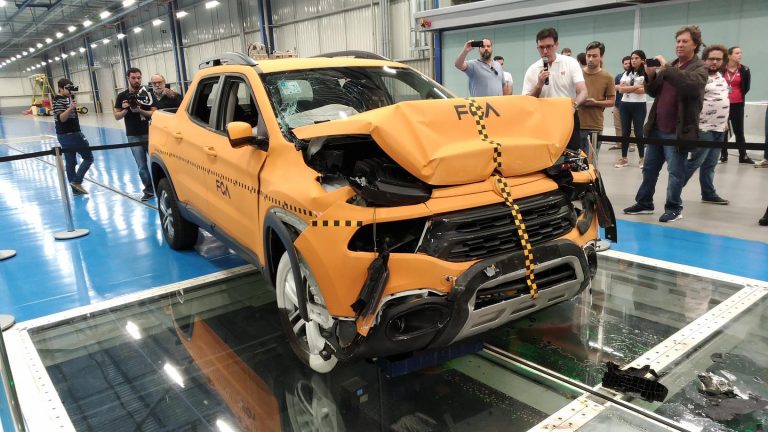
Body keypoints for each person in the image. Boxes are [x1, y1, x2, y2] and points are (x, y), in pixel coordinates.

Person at [623, 25, 708, 223]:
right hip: (657, 127)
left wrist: (667, 69)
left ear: (695, 44)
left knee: (675, 173)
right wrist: (651, 74)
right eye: (678, 41)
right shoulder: (672, 65)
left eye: (685, 41)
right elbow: (653, 91)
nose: (680, 45)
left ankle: (674, 207)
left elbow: (691, 86)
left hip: (677, 131)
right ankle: (644, 203)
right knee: (649, 169)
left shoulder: (700, 68)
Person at [523, 27, 588, 151]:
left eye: (549, 46)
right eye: (541, 47)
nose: (545, 51)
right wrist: (539, 85)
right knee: (544, 155)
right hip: (543, 119)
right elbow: (526, 101)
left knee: (571, 154)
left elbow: (583, 91)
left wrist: (574, 106)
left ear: (557, 45)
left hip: (567, 115)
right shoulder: (532, 69)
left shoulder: (570, 63)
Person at [682, 44, 730, 205]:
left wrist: (725, 122)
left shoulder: (721, 77)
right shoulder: (700, 77)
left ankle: (708, 194)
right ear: (704, 59)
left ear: (723, 61)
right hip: (703, 128)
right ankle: (675, 190)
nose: (714, 62)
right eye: (711, 59)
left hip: (720, 128)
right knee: (695, 162)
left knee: (710, 164)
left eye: (718, 59)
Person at [114, 67, 157, 201]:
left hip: (150, 133)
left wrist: (140, 111)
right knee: (142, 166)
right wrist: (126, 109)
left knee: (157, 163)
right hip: (133, 135)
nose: (136, 80)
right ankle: (149, 190)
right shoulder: (121, 96)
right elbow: (116, 116)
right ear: (128, 78)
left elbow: (155, 112)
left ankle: (161, 187)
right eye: (133, 78)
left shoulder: (148, 93)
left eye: (139, 77)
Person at [53, 78, 93, 195]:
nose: (70, 91)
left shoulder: (66, 99)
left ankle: (75, 190)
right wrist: (70, 107)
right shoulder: (59, 100)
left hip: (64, 135)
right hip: (72, 135)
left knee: (71, 163)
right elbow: (61, 118)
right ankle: (76, 181)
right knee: (88, 158)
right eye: (67, 88)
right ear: (60, 88)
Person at [578, 41, 614, 156]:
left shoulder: (607, 77)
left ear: (601, 57)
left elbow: (612, 101)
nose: (590, 59)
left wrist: (596, 102)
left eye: (594, 56)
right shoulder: (577, 74)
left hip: (595, 125)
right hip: (576, 124)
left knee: (592, 161)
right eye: (588, 55)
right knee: (574, 161)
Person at [614, 50, 649, 168]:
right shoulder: (627, 73)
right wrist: (637, 86)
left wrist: (629, 88)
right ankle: (624, 158)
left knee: (639, 132)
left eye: (636, 58)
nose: (633, 60)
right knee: (625, 132)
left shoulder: (646, 73)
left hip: (639, 105)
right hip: (625, 104)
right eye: (632, 58)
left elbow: (644, 90)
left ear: (642, 60)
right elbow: (621, 90)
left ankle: (642, 158)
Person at [720, 46, 752, 164]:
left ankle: (743, 156)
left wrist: (737, 96)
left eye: (741, 53)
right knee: (723, 130)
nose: (740, 55)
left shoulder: (745, 69)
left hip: (737, 104)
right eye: (737, 53)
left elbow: (746, 87)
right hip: (723, 104)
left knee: (739, 131)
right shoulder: (721, 68)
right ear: (729, 55)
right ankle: (723, 156)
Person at [609, 56, 632, 149]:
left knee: (631, 126)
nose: (627, 65)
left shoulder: (636, 76)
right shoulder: (619, 76)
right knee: (618, 125)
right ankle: (619, 144)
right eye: (625, 63)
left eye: (629, 63)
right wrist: (623, 87)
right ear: (623, 65)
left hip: (631, 105)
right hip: (618, 105)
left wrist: (623, 87)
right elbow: (613, 87)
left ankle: (631, 144)